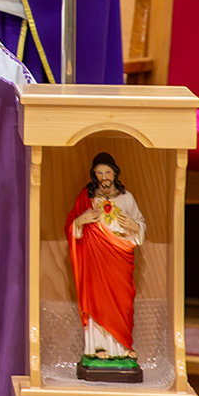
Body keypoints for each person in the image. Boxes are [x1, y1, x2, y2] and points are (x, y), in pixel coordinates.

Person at [68, 152, 143, 368]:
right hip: (96, 258)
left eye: (107, 172)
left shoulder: (126, 197)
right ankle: (97, 347)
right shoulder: (87, 196)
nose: (104, 177)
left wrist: (134, 226)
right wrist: (81, 221)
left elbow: (140, 222)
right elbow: (71, 225)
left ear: (115, 173)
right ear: (94, 174)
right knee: (97, 300)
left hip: (120, 255)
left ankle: (122, 346)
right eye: (99, 173)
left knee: (122, 301)